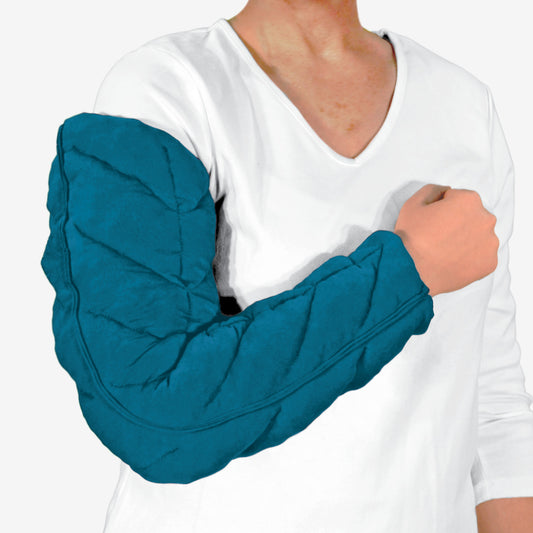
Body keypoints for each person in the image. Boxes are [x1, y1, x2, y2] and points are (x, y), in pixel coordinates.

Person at [79, 1, 532, 531]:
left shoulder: (463, 103)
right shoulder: (165, 90)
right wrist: (409, 272)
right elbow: (155, 412)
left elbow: (492, 403)